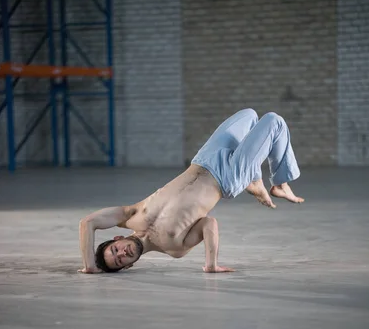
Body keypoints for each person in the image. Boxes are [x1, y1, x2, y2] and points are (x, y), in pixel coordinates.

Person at [78, 109, 304, 274]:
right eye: (119, 261)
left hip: (204, 159)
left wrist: (89, 266)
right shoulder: (174, 247)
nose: (122, 254)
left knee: (250, 115)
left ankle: (254, 180)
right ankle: (280, 184)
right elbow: (209, 225)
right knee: (274, 122)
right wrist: (211, 264)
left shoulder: (130, 216)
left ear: (116, 239)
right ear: (129, 265)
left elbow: (87, 223)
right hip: (226, 177)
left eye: (115, 250)